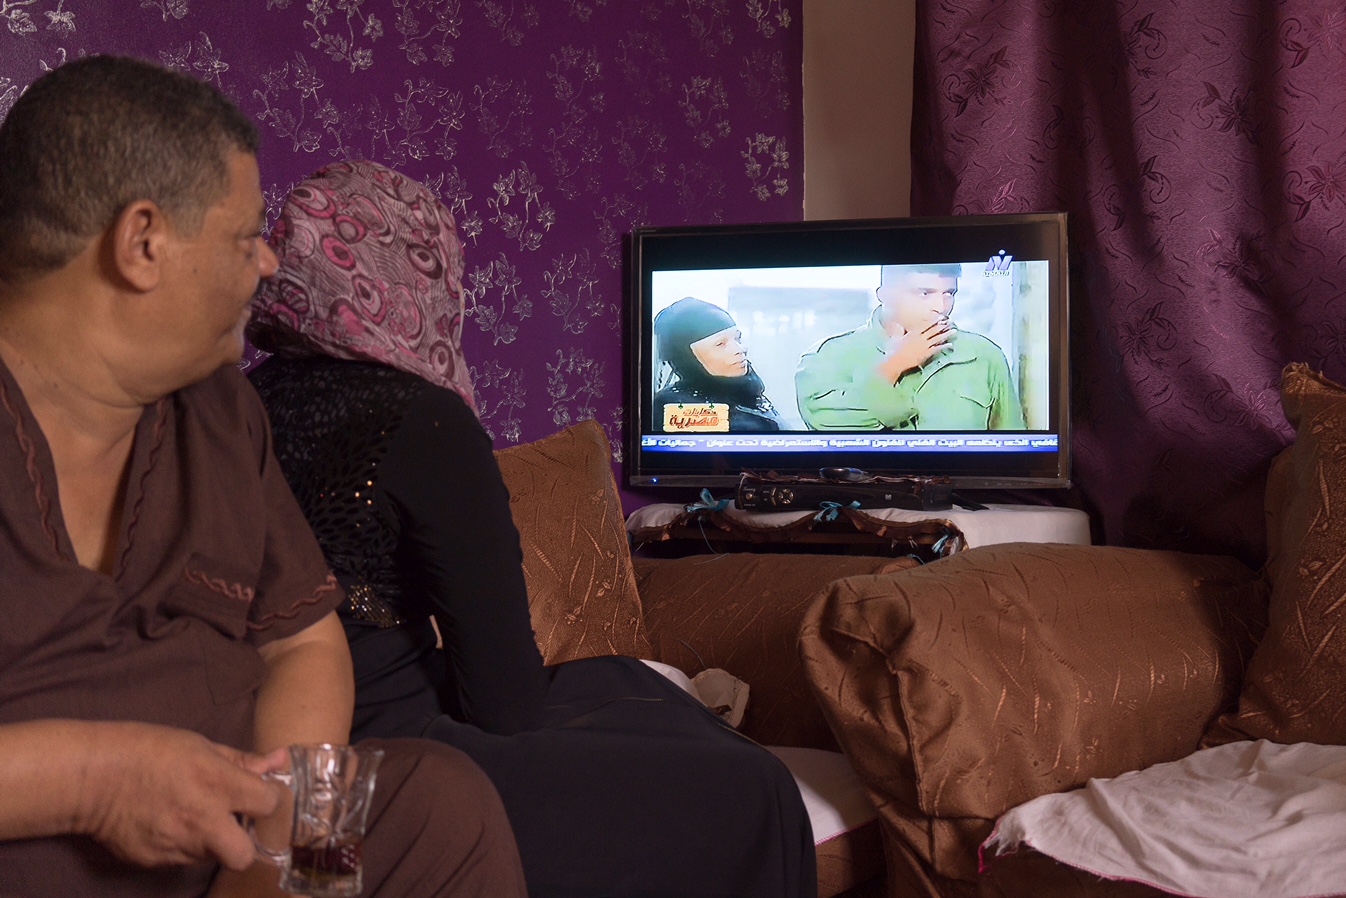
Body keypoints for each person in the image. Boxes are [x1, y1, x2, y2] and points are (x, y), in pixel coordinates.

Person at [0, 55, 527, 897]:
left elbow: (303, 641)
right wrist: (93, 780)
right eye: (247, 238)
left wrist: (278, 848)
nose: (272, 267)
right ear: (142, 244)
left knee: (439, 805)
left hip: (222, 851)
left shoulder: (219, 409)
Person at [246, 159, 817, 898]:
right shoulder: (423, 420)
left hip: (277, 741)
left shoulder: (235, 403)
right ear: (415, 274)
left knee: (620, 680)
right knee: (752, 785)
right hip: (395, 753)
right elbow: (504, 704)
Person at [795, 262, 1026, 430]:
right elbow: (826, 428)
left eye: (949, 293)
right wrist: (891, 367)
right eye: (925, 293)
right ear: (884, 295)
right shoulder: (827, 357)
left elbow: (1012, 451)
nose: (941, 306)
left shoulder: (983, 355)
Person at [652, 296, 783, 431]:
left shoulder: (747, 393)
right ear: (687, 358)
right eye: (720, 344)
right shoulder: (678, 409)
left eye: (738, 338)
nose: (740, 349)